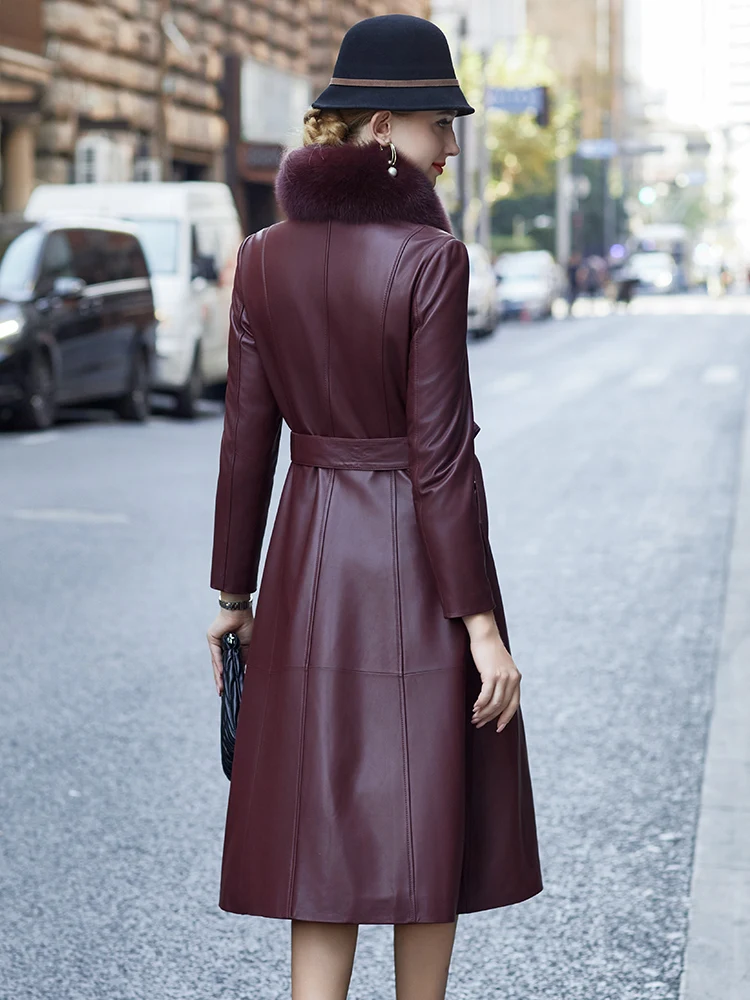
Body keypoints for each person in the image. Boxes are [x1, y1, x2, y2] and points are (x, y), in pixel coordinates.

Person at [206, 15, 542, 1000]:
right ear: (384, 125)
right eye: (442, 126)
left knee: (322, 837)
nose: (450, 149)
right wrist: (483, 627)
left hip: (309, 558)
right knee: (419, 824)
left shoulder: (261, 256)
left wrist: (234, 593)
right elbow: (439, 460)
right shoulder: (432, 261)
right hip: (412, 570)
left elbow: (244, 446)